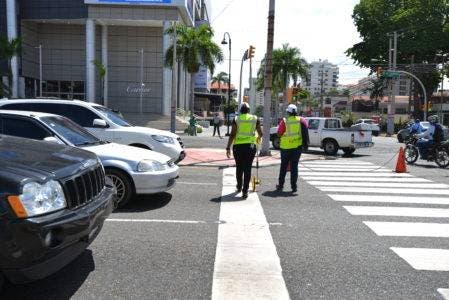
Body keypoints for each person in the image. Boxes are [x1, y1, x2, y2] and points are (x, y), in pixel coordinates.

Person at [226, 102, 263, 199]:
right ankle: (245, 191)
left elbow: (233, 134)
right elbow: (260, 133)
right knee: (247, 168)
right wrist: (258, 139)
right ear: (249, 110)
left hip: (238, 147)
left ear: (240, 111)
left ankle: (239, 186)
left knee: (239, 167)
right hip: (250, 147)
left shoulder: (237, 119)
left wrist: (228, 148)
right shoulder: (255, 119)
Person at [276, 104, 309, 193]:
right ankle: (294, 187)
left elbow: (279, 133)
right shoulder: (302, 120)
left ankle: (280, 185)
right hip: (297, 148)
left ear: (288, 112)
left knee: (283, 167)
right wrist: (305, 146)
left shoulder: (284, 121)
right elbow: (305, 133)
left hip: (285, 148)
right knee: (294, 167)